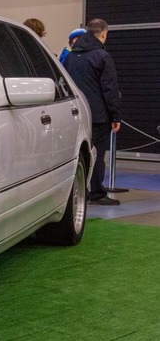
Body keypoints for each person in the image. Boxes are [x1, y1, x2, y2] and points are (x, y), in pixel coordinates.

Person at [64, 18, 122, 205]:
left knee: (78, 153)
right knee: (97, 155)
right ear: (103, 33)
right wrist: (115, 115)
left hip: (75, 114)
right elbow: (109, 89)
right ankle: (96, 192)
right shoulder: (102, 56)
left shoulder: (71, 57)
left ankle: (80, 190)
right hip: (98, 116)